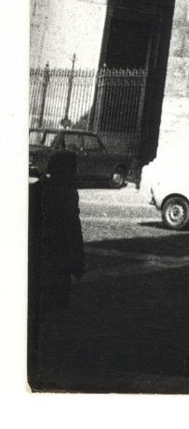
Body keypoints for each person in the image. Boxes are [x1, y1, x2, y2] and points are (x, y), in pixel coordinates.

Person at [28, 150, 86, 379]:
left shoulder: (36, 190)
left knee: (38, 308)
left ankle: (34, 352)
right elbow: (74, 228)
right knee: (48, 309)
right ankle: (38, 357)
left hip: (39, 259)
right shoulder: (67, 194)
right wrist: (78, 260)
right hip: (55, 260)